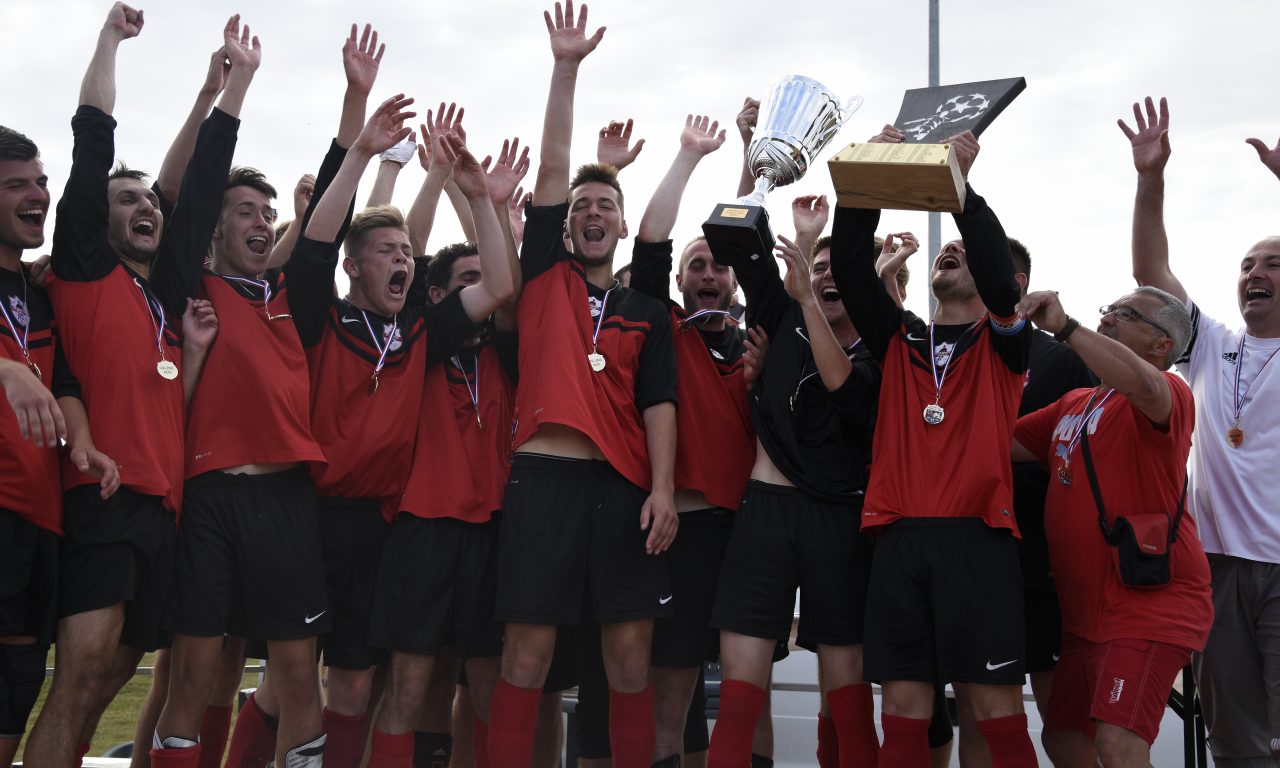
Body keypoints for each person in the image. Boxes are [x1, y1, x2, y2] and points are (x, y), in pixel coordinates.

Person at [26, 6, 249, 765]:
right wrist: (109, 41)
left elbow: (202, 181)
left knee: (118, 667)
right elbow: (94, 137)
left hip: (165, 506)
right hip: (101, 495)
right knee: (83, 669)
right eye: (129, 200)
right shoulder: (85, 266)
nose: (146, 206)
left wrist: (230, 92)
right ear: (99, 220)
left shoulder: (168, 296)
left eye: (150, 199)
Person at [486, 3, 678, 764]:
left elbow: (659, 403)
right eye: (583, 208)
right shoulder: (543, 280)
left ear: (623, 229)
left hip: (626, 493)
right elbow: (555, 166)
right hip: (543, 482)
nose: (593, 212)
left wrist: (662, 489)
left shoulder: (646, 311)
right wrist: (566, 69)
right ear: (568, 226)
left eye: (608, 207)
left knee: (628, 663)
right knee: (525, 660)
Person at [830, 131, 1039, 768]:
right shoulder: (899, 340)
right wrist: (871, 175)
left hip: (978, 539)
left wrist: (957, 190)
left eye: (962, 251)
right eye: (944, 251)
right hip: (897, 538)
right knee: (903, 714)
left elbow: (1001, 285)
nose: (949, 251)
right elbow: (846, 268)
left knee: (998, 714)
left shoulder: (1006, 340)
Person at [1123, 94, 1280, 766]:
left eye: (1273, 263)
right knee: (1238, 742)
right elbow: (1150, 274)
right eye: (1248, 264)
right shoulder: (1212, 344)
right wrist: (1150, 180)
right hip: (1213, 568)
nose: (1256, 273)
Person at [357, 134, 518, 766]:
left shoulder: (505, 355)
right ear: (440, 295)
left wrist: (479, 198)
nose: (480, 291)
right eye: (465, 282)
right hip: (421, 529)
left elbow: (507, 284)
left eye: (482, 279)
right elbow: (405, 257)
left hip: (490, 533)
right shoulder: (416, 343)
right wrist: (432, 180)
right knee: (408, 685)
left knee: (486, 690)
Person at [707, 194, 882, 768]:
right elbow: (736, 246)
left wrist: (808, 290)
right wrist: (804, 237)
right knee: (737, 699)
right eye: (819, 268)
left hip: (838, 519)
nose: (825, 276)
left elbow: (845, 392)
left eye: (838, 269)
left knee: (847, 699)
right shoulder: (779, 316)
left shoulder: (882, 353)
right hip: (766, 512)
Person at [1011, 286, 1212, 766]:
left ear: (1162, 345)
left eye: (1124, 314)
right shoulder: (1074, 403)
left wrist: (1065, 327)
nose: (1107, 318)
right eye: (1108, 310)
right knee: (1062, 739)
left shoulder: (1171, 394)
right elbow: (995, 447)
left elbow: (1144, 387)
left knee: (1119, 744)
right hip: (1085, 617)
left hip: (1147, 609)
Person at [0, 125, 119, 766]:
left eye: (40, 180)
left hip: (39, 520)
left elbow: (66, 378)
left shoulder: (35, 290)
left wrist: (85, 445)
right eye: (16, 183)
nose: (38, 194)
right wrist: (3, 368)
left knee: (15, 695)